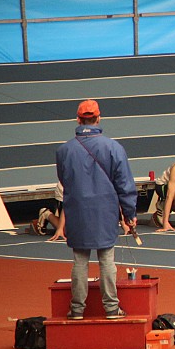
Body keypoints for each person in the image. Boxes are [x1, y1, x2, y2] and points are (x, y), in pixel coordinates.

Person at [55, 99, 137, 320]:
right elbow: (125, 184)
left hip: (77, 210)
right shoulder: (114, 147)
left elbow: (63, 180)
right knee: (107, 258)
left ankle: (77, 309)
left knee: (80, 260)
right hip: (105, 210)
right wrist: (129, 214)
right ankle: (111, 308)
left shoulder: (64, 150)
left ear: (78, 120)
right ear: (99, 118)